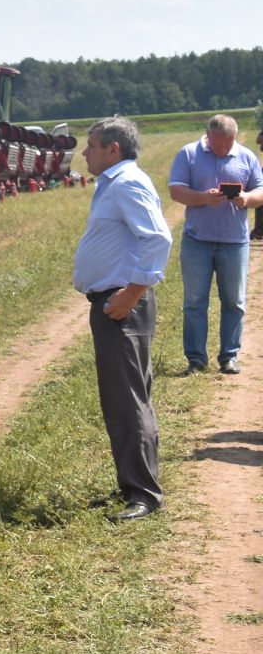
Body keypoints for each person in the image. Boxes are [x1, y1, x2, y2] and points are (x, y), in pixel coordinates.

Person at [76, 116, 173, 521]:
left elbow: (157, 238)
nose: (85, 152)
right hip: (117, 303)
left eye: (91, 145)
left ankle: (142, 494)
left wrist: (132, 293)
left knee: (127, 400)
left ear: (113, 148)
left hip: (122, 305)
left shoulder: (127, 182)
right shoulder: (113, 183)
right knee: (127, 397)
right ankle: (133, 484)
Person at [167, 113, 263, 375]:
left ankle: (229, 356)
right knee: (195, 302)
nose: (222, 150)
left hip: (235, 243)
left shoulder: (246, 156)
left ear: (235, 137)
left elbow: (261, 191)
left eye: (228, 144)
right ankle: (196, 359)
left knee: (234, 302)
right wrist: (201, 198)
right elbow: (175, 190)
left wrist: (246, 198)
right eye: (218, 144)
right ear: (208, 135)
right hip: (197, 241)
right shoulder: (188, 154)